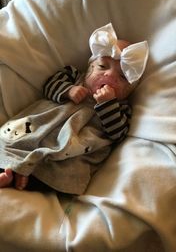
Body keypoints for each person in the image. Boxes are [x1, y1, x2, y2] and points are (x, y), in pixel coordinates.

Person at [0, 23, 149, 193]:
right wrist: (68, 90)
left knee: (61, 170)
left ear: (130, 90)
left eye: (122, 77)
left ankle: (21, 179)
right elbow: (49, 87)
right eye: (102, 66)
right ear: (90, 67)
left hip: (71, 149)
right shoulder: (73, 75)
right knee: (15, 142)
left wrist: (108, 104)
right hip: (41, 126)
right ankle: (11, 170)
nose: (108, 75)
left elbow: (118, 133)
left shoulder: (121, 109)